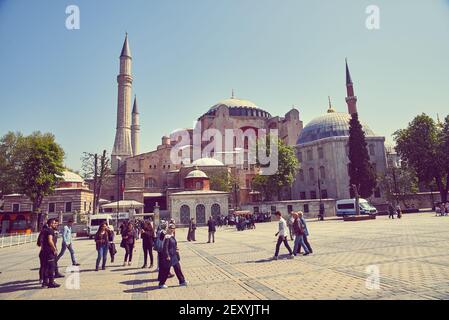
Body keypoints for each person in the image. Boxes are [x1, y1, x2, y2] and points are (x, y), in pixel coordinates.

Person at [158, 224, 188, 289]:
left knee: (178, 269)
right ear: (168, 228)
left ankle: (182, 281)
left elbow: (174, 245)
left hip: (174, 255)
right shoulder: (167, 237)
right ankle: (161, 283)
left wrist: (176, 249)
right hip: (169, 256)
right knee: (166, 270)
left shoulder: (172, 236)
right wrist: (167, 255)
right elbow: (165, 248)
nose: (172, 229)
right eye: (171, 228)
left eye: (173, 228)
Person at [41, 219, 60, 288]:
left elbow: (41, 241)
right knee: (51, 267)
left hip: (44, 251)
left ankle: (45, 282)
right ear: (51, 224)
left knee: (45, 267)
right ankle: (51, 282)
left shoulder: (44, 230)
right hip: (49, 252)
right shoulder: (50, 230)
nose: (55, 224)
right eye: (54, 223)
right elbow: (50, 240)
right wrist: (54, 249)